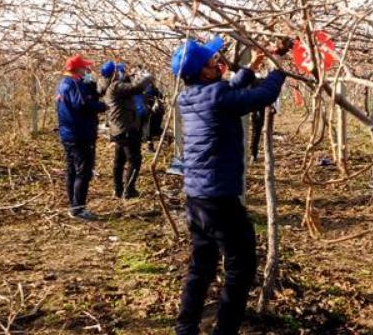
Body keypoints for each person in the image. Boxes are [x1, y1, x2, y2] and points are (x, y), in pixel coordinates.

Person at [173, 37, 286, 335]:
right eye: (212, 62)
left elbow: (228, 90)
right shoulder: (217, 97)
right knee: (241, 267)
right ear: (204, 72)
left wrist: (252, 66)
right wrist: (278, 71)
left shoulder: (188, 97)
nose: (217, 63)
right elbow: (258, 97)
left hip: (196, 197)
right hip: (220, 200)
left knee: (202, 266)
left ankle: (185, 328)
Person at [55, 54, 107, 220]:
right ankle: (78, 208)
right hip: (80, 134)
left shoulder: (63, 84)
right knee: (82, 171)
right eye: (85, 67)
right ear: (78, 68)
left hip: (69, 133)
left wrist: (91, 88)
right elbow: (83, 105)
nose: (87, 69)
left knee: (72, 170)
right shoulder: (75, 83)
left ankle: (74, 205)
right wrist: (102, 106)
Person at [99, 61, 152, 199]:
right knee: (135, 160)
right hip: (126, 128)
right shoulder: (116, 86)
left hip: (118, 128)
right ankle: (129, 190)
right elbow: (137, 87)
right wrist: (146, 77)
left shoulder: (109, 86)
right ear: (115, 73)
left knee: (120, 160)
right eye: (120, 71)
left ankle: (118, 189)